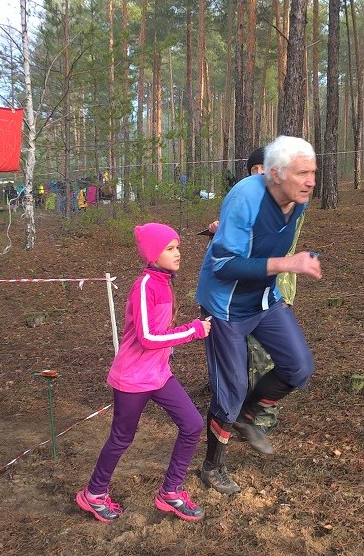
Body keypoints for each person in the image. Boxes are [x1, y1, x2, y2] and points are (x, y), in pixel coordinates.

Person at [195, 135, 322, 495]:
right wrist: (287, 264)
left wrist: (292, 265)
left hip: (265, 300)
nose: (311, 181)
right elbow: (222, 265)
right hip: (227, 307)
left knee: (299, 366)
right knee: (231, 389)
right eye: (302, 174)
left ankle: (247, 415)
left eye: (313, 172)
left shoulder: (297, 201)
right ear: (275, 174)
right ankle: (212, 467)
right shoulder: (245, 198)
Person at [76, 223, 211, 523]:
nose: (177, 253)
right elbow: (148, 337)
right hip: (133, 378)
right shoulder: (145, 286)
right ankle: (94, 494)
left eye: (177, 247)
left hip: (159, 374)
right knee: (122, 438)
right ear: (153, 254)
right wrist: (193, 330)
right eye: (169, 248)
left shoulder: (165, 282)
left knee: (192, 424)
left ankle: (171, 492)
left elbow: (161, 332)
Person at [205, 145, 305, 434]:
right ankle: (238, 413)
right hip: (239, 296)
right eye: (254, 170)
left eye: (264, 169)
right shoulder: (248, 199)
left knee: (264, 359)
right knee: (243, 361)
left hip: (273, 291)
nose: (259, 175)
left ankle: (259, 418)